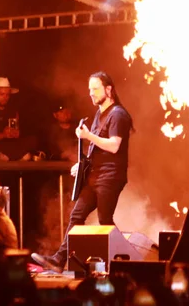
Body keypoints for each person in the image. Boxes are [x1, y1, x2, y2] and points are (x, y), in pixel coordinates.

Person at [31, 71, 133, 273]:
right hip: (95, 176)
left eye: (95, 89)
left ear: (108, 89)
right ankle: (59, 260)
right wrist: (83, 164)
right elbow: (97, 149)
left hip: (110, 176)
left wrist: (87, 136)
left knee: (105, 221)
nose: (91, 94)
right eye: (89, 90)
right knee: (77, 215)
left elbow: (114, 146)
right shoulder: (99, 115)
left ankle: (127, 261)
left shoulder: (118, 114)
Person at [0, 77, 37, 161]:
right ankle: (3, 157)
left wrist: (15, 133)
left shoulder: (13, 111)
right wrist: (3, 135)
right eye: (2, 94)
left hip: (10, 146)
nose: (5, 97)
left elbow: (16, 133)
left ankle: (14, 156)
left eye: (8, 95)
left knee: (32, 140)